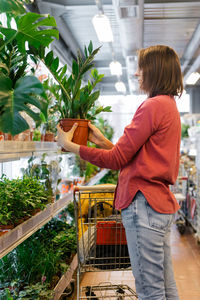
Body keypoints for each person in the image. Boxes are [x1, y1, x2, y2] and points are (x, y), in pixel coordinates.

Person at [56, 45, 183, 300]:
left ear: (154, 71)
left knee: (150, 290)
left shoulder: (151, 106)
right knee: (165, 287)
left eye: (141, 68)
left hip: (143, 205)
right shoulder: (168, 105)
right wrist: (102, 142)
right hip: (157, 204)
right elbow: (136, 158)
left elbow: (117, 160)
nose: (137, 74)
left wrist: (72, 146)